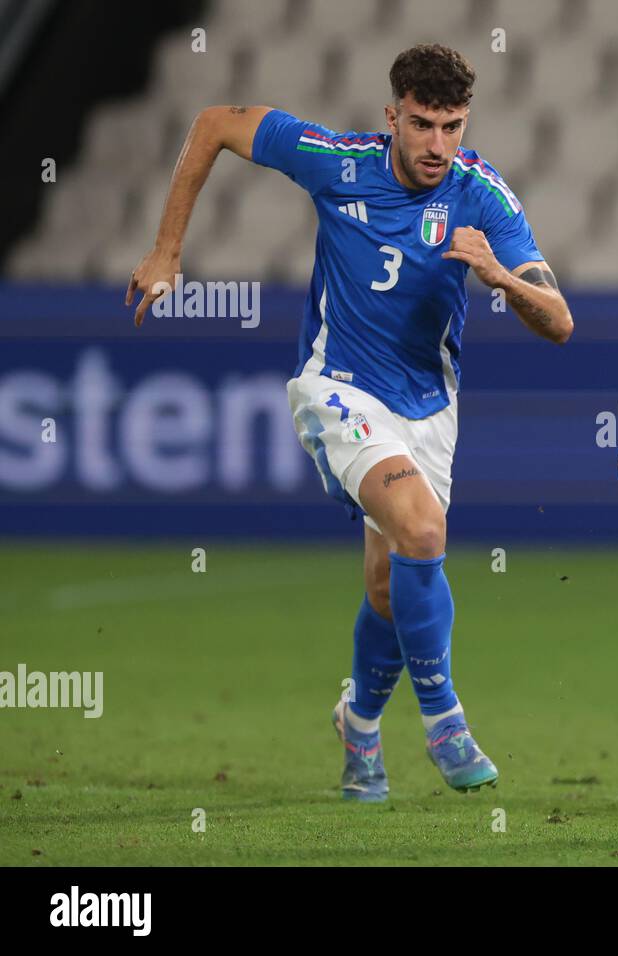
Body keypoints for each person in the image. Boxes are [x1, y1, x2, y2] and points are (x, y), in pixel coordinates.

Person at [126, 43, 572, 801]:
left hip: (428, 406)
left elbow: (559, 322)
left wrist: (497, 275)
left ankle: (359, 727)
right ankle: (445, 721)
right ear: (391, 115)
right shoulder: (334, 161)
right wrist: (168, 251)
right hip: (337, 389)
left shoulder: (481, 195)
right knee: (424, 532)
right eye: (423, 124)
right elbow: (212, 125)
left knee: (388, 587)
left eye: (453, 127)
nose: (438, 145)